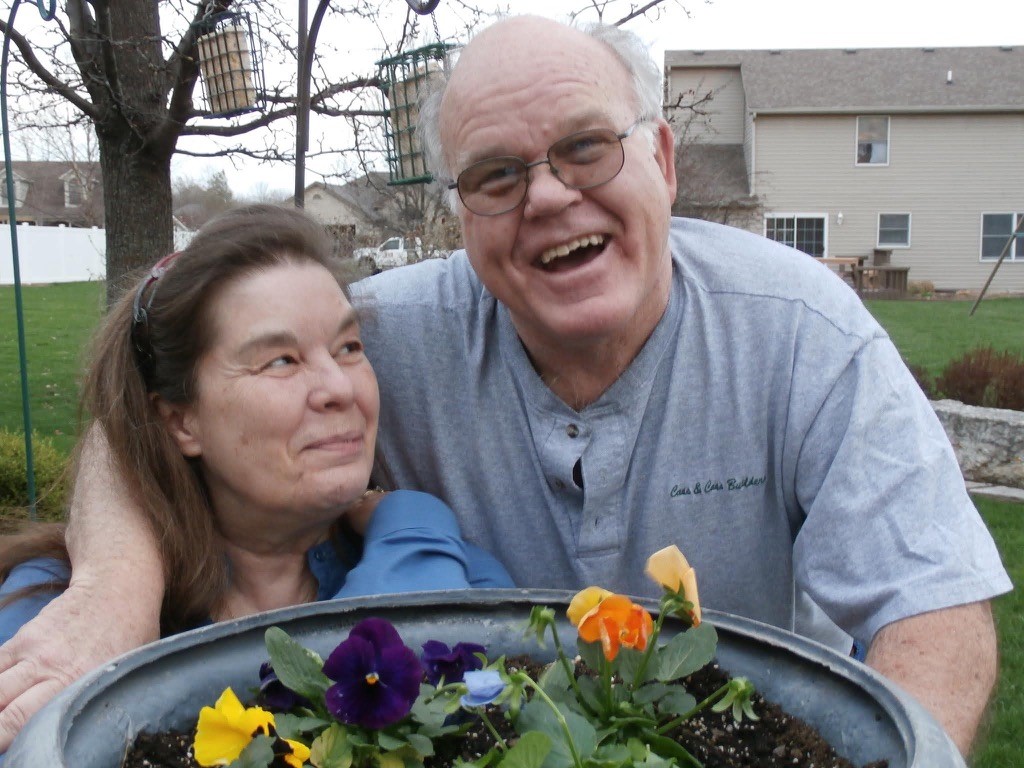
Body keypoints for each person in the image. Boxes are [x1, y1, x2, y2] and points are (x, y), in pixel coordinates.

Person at [0, 15, 1011, 758]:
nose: (549, 196)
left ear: (661, 159)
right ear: (461, 214)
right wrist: (110, 596)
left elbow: (934, 606)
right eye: (496, 175)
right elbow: (144, 404)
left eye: (586, 147)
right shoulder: (380, 337)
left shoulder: (797, 330)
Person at [0, 205, 511, 659]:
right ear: (181, 421)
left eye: (349, 348)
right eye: (281, 360)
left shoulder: (453, 565)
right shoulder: (65, 623)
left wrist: (412, 538)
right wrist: (416, 529)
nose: (340, 388)